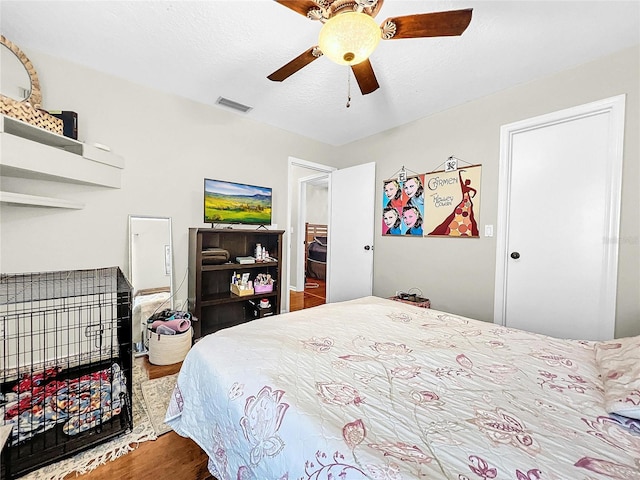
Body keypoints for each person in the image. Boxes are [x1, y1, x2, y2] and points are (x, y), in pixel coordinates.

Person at [429, 169, 479, 237]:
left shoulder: (466, 187)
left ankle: (463, 229)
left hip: (467, 202)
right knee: (459, 215)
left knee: (467, 215)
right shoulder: (464, 187)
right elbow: (472, 189)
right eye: (467, 182)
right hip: (464, 202)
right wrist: (459, 173)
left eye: (468, 182)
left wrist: (473, 195)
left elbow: (475, 191)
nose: (467, 183)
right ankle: (456, 228)